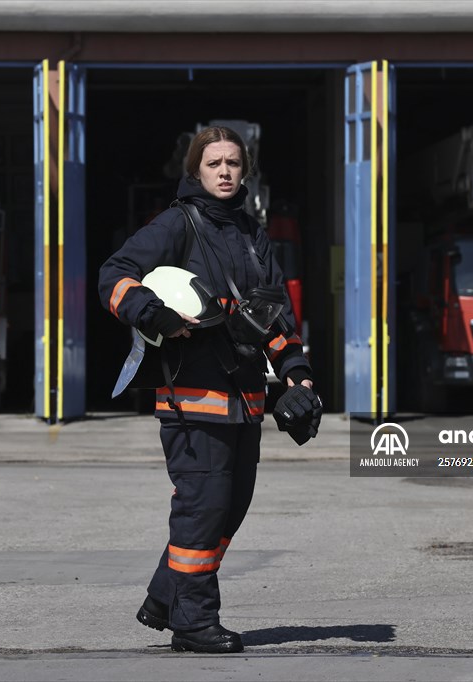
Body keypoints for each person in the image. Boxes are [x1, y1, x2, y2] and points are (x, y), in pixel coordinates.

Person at [98, 126, 319, 654]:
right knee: (203, 507)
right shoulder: (177, 223)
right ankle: (194, 622)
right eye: (214, 163)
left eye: (233, 163)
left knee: (230, 508)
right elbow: (115, 275)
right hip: (190, 399)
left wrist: (298, 375)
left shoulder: (252, 233)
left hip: (246, 400)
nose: (224, 171)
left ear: (245, 171)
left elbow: (276, 317)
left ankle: (164, 595)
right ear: (196, 170)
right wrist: (152, 313)